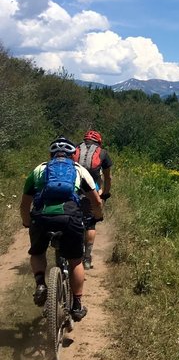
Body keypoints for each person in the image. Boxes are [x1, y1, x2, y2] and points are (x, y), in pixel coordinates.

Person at [19, 136, 103, 321]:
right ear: (74, 156)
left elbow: (25, 205)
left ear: (50, 155)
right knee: (75, 261)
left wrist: (27, 222)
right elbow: (96, 200)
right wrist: (97, 216)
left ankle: (41, 283)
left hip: (41, 216)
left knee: (38, 252)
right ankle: (77, 305)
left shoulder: (39, 170)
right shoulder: (78, 169)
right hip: (70, 216)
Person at [73, 130, 113, 269]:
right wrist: (105, 194)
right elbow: (108, 177)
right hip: (92, 192)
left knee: (72, 220)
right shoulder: (102, 153)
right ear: (99, 141)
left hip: (72, 192)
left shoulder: (75, 149)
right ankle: (87, 258)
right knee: (90, 224)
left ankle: (71, 252)